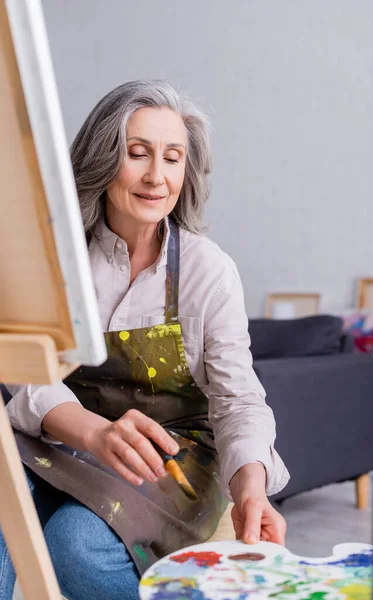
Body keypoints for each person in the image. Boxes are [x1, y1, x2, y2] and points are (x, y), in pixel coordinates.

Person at [1, 80, 289, 600]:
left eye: (173, 158)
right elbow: (25, 376)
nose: (157, 176)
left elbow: (238, 397)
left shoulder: (207, 271)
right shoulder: (55, 263)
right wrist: (92, 433)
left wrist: (251, 487)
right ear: (101, 160)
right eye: (137, 154)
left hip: (171, 454)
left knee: (76, 545)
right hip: (61, 438)